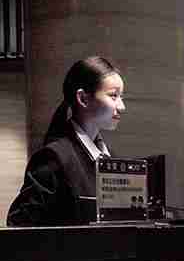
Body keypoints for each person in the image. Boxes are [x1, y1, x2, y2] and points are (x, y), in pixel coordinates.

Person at [8, 56, 125, 226]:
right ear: (83, 98)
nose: (122, 106)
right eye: (113, 96)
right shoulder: (53, 158)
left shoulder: (112, 159)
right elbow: (19, 225)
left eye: (121, 97)